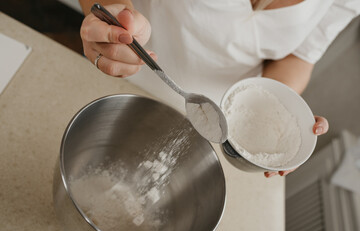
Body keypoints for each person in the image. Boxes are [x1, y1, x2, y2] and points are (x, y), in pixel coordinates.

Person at [78, 0, 359, 177]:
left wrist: (286, 120)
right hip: (121, 75)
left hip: (213, 124)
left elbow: (299, 57)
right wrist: (112, 14)